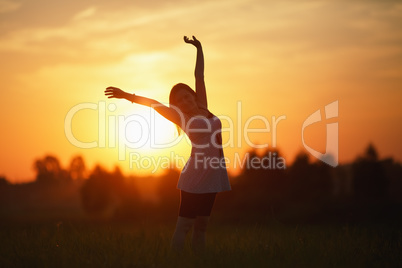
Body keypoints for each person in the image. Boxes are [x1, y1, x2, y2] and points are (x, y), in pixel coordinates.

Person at [104, 36, 231, 252]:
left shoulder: (203, 105)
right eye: (178, 100)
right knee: (184, 225)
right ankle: (176, 261)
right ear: (176, 106)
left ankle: (199, 262)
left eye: (186, 95)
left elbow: (199, 75)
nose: (184, 100)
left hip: (214, 173)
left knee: (202, 226)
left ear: (192, 94)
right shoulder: (181, 118)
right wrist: (126, 95)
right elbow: (153, 103)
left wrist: (199, 48)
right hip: (194, 175)